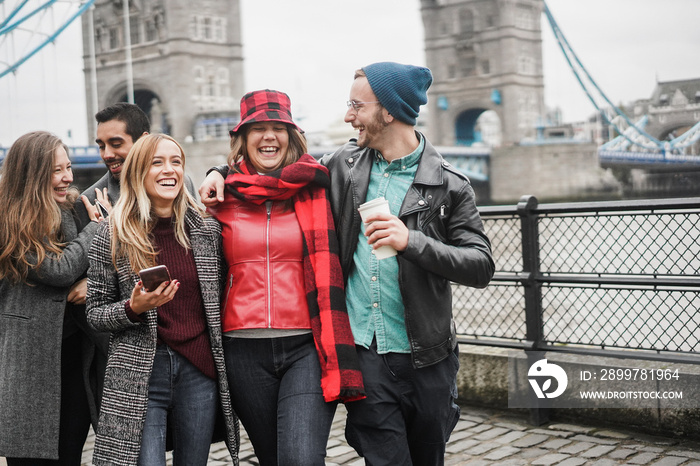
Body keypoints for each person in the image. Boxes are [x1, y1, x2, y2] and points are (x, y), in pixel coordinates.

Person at [200, 63, 495, 465]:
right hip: (363, 354)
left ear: (388, 111)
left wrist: (412, 241)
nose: (347, 115)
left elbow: (480, 265)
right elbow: (278, 169)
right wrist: (219, 171)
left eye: (356, 105)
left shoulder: (451, 184)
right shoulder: (342, 167)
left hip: (428, 356)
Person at [206, 89, 364, 465]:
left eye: (279, 127)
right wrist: (218, 171)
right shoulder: (220, 196)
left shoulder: (318, 186)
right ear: (243, 138)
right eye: (258, 128)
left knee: (301, 457)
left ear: (292, 136)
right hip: (242, 348)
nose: (269, 136)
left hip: (306, 345)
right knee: (270, 457)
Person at [86, 133, 239, 466]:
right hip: (140, 371)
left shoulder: (207, 231)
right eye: (157, 162)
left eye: (176, 162)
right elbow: (95, 314)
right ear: (138, 171)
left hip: (199, 369)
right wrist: (133, 308)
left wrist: (220, 172)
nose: (169, 170)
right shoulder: (111, 235)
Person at [71, 102, 196, 428]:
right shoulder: (89, 198)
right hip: (122, 353)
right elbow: (92, 288)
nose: (106, 153)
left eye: (116, 143)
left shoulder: (181, 183)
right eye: (100, 145)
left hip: (185, 350)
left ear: (143, 140)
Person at [0, 131, 105, 464]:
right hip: (28, 359)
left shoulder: (72, 209)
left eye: (69, 167)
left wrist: (90, 280)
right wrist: (97, 228)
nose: (68, 177)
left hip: (73, 356)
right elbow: (57, 269)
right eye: (57, 170)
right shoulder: (8, 220)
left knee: (69, 455)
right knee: (30, 457)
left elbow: (91, 266)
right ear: (31, 174)